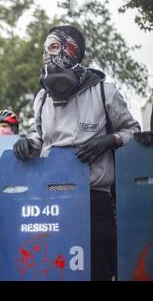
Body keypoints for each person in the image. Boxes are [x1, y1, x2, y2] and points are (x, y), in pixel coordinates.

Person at [13, 25, 140, 281]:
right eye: (47, 49)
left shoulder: (105, 92)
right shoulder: (42, 98)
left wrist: (109, 139)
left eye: (55, 48)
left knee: (97, 271)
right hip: (52, 201)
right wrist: (29, 144)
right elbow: (42, 137)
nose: (50, 56)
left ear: (73, 51)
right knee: (55, 271)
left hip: (95, 199)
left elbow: (134, 132)